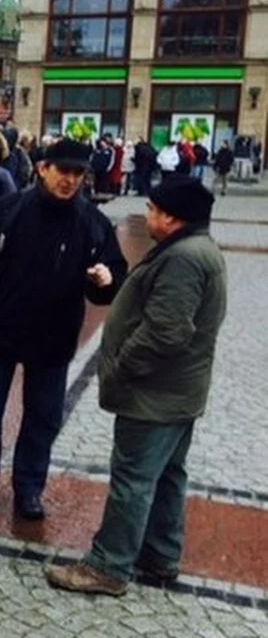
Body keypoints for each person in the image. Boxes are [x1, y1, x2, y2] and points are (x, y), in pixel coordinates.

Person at [48, 178, 226, 595]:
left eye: (152, 208)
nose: (148, 215)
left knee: (134, 478)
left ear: (171, 216)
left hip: (155, 395)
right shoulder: (197, 249)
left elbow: (166, 331)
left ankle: (109, 565)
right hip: (178, 391)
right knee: (166, 475)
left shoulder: (183, 258)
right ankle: (160, 554)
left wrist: (123, 366)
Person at [0, 139, 129, 520]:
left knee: (44, 415)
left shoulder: (91, 221)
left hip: (54, 335)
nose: (70, 180)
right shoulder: (8, 211)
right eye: (63, 171)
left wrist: (105, 279)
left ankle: (29, 487)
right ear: (42, 169)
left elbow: (113, 270)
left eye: (78, 173)